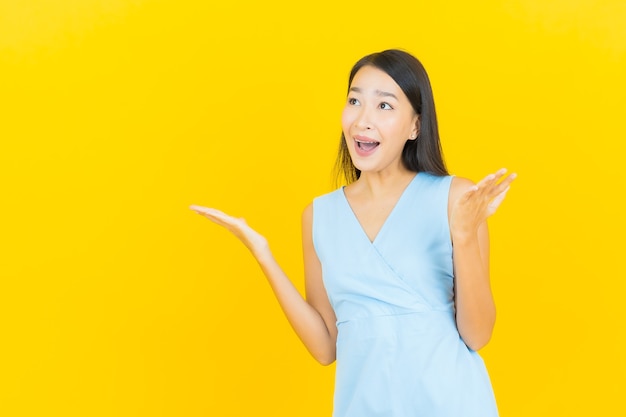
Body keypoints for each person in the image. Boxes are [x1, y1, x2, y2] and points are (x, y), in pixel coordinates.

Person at [191, 49, 516, 417]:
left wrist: (464, 236)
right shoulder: (320, 216)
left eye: (384, 106)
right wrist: (262, 253)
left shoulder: (456, 199)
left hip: (451, 403)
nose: (363, 119)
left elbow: (478, 334)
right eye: (355, 100)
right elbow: (326, 347)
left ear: (416, 126)